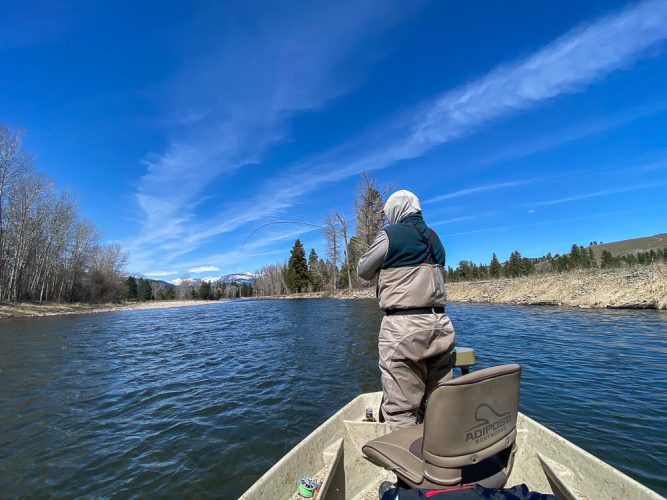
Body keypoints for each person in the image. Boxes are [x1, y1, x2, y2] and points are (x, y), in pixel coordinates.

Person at [357, 190, 455, 431]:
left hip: (403, 328)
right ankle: (441, 461)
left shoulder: (391, 233)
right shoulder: (435, 238)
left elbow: (363, 270)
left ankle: (409, 467)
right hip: (441, 325)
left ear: (397, 210)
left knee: (401, 409)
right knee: (438, 402)